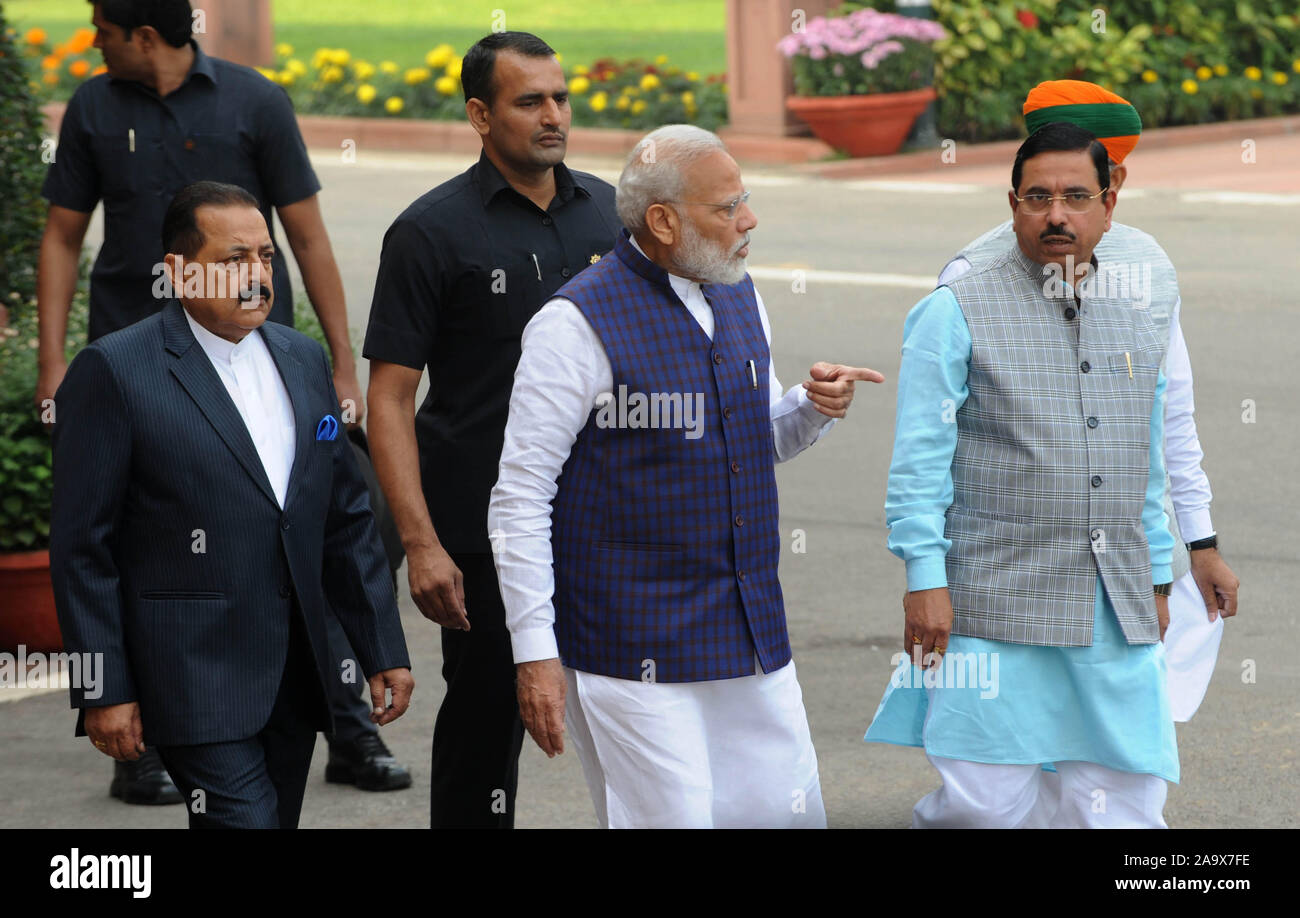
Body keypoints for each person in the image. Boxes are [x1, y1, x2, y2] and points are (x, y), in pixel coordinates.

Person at [36, 0, 411, 803]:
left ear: (147, 32)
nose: (257, 271)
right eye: (235, 257)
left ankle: (343, 720)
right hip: (142, 366)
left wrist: (343, 362)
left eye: (260, 256)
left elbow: (342, 524)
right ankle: (148, 730)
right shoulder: (95, 108)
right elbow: (85, 548)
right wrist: (103, 688)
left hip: (285, 664)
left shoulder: (296, 360)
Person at [488, 125, 885, 829]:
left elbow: (752, 440)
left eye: (746, 201)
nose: (749, 221)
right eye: (727, 207)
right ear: (663, 221)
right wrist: (536, 654)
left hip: (749, 629)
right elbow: (520, 497)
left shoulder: (738, 293)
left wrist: (810, 408)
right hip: (627, 644)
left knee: (781, 814)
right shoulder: (573, 325)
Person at [865, 122, 1177, 828]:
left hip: (1114, 600)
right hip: (992, 600)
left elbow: (1145, 463)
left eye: (1075, 196)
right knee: (984, 806)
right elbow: (918, 461)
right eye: (1038, 197)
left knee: (1121, 799)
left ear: (1109, 203)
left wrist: (1158, 576)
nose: (1057, 214)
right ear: (1012, 205)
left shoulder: (1137, 309)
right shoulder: (955, 309)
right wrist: (924, 579)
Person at [363, 31, 620, 828]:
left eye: (561, 97)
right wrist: (420, 543)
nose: (554, 116)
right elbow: (391, 398)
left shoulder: (615, 214)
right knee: (485, 734)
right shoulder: (430, 231)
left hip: (611, 522)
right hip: (485, 532)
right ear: (480, 114)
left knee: (638, 719)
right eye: (529, 101)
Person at [938, 81, 1239, 723]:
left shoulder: (1147, 266)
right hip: (1008, 573)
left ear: (1112, 183)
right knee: (1006, 754)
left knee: (1114, 750)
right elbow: (934, 447)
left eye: (1085, 187)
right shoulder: (969, 282)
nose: (1062, 209)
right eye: (1048, 187)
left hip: (1130, 560)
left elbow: (1169, 416)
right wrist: (928, 576)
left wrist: (1197, 544)